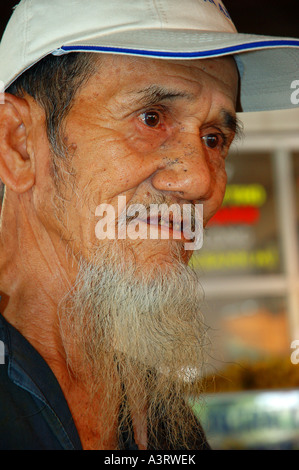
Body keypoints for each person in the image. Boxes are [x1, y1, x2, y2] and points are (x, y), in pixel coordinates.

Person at [0, 0, 298, 451]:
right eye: (152, 118)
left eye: (214, 139)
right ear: (18, 144)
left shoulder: (163, 421)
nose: (200, 180)